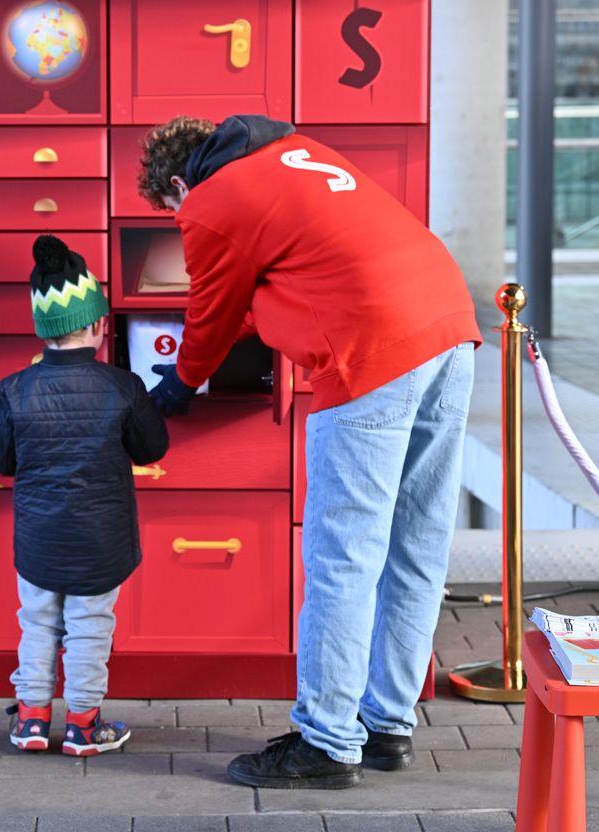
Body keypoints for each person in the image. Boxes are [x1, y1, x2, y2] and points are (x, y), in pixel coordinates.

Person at [138, 115, 481, 789]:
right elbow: (271, 282)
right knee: (416, 543)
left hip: (371, 348)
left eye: (172, 211)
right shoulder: (291, 153)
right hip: (446, 325)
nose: (183, 225)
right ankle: (387, 726)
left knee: (342, 556)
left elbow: (208, 313)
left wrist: (178, 382)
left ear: (179, 184)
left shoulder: (208, 202)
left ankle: (326, 742)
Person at [0, 234, 169, 757]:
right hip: (100, 539)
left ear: (45, 330)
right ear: (96, 324)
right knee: (89, 626)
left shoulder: (14, 389)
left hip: (39, 539)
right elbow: (152, 445)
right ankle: (84, 726)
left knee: (38, 621)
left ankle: (31, 720)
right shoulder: (123, 385)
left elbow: (0, 460)